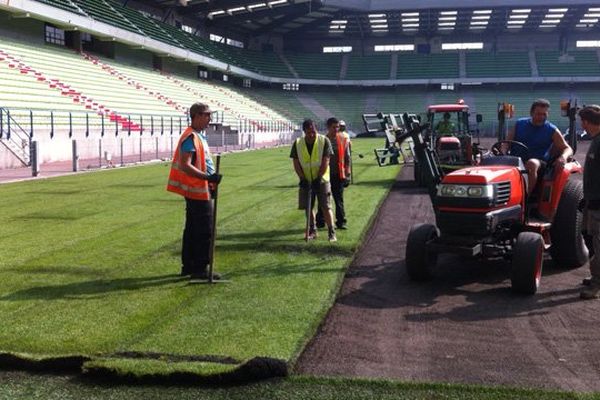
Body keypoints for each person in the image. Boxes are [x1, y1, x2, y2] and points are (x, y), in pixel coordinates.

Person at [167, 102, 222, 280]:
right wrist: (208, 178)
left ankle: (189, 266)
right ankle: (200, 268)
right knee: (205, 230)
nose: (210, 119)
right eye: (207, 115)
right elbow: (185, 164)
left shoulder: (197, 136)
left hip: (198, 189)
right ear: (197, 116)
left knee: (191, 229)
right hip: (198, 190)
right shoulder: (191, 137)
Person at [507, 99, 573, 195]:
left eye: (544, 114)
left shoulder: (551, 129)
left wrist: (563, 157)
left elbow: (567, 148)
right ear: (531, 113)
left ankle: (525, 197)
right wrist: (503, 150)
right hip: (515, 160)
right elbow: (507, 143)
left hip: (539, 162)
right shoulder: (519, 124)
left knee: (532, 163)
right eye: (538, 114)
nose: (541, 117)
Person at [290, 119, 337, 242]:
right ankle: (312, 230)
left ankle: (331, 232)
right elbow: (296, 163)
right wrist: (302, 178)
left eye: (314, 131)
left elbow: (326, 161)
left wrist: (318, 178)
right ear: (304, 131)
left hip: (322, 180)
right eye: (309, 132)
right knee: (308, 207)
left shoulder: (323, 141)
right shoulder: (298, 143)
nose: (312, 134)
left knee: (326, 206)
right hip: (306, 180)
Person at [577, 105, 600, 299]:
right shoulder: (595, 140)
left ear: (585, 122)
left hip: (598, 203)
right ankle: (595, 275)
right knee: (587, 234)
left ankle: (596, 285)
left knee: (598, 242)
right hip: (591, 200)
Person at [316, 117, 351, 230]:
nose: (336, 129)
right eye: (334, 127)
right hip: (325, 174)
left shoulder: (342, 139)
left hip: (338, 174)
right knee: (323, 199)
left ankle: (341, 222)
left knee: (338, 199)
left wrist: (347, 173)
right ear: (328, 127)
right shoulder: (322, 140)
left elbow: (347, 157)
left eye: (338, 127)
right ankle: (320, 221)